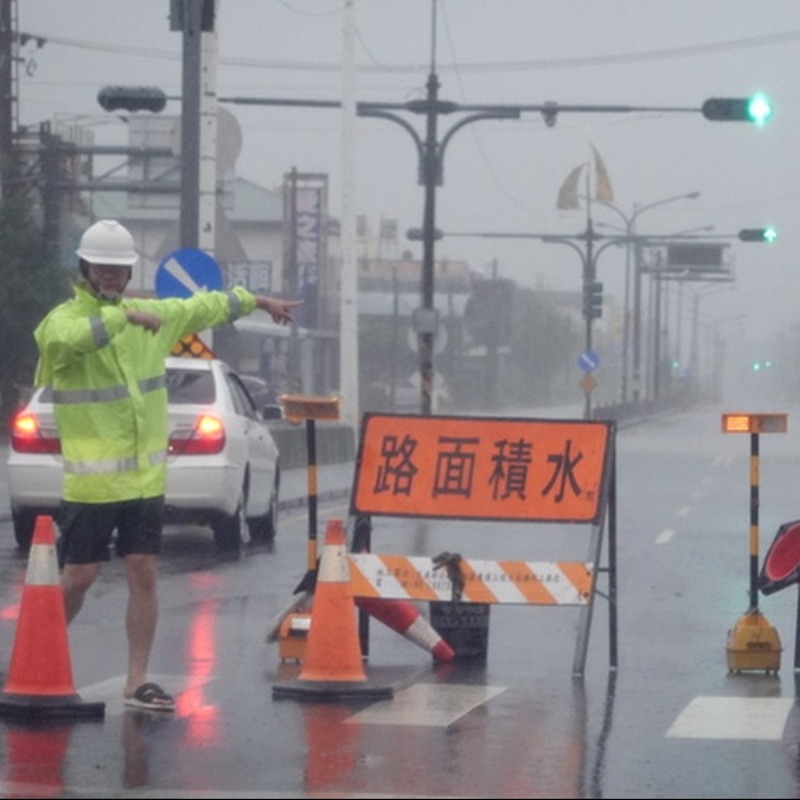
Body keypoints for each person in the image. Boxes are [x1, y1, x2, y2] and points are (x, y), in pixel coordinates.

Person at [33, 219, 301, 711]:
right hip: (92, 486)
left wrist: (258, 303)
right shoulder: (63, 319)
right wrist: (123, 319)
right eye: (102, 268)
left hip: (144, 481)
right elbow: (62, 344)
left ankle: (137, 681)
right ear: (84, 269)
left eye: (119, 269)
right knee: (79, 578)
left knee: (144, 573)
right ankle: (33, 659)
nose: (111, 276)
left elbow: (204, 305)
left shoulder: (151, 316)